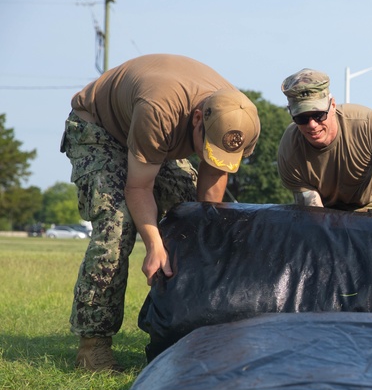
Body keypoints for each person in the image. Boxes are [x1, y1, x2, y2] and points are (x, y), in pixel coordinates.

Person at [62, 53, 260, 371]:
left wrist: (207, 234)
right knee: (118, 225)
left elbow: (213, 179)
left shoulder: (239, 119)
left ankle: (190, 323)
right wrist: (155, 245)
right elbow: (138, 188)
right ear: (197, 119)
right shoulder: (160, 111)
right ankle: (93, 343)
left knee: (205, 222)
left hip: (156, 141)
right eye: (207, 146)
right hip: (100, 131)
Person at [277, 69, 372, 211]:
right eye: (301, 118)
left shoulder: (366, 124)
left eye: (319, 115)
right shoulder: (290, 149)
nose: (312, 125)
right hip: (328, 215)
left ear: (332, 106)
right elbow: (315, 212)